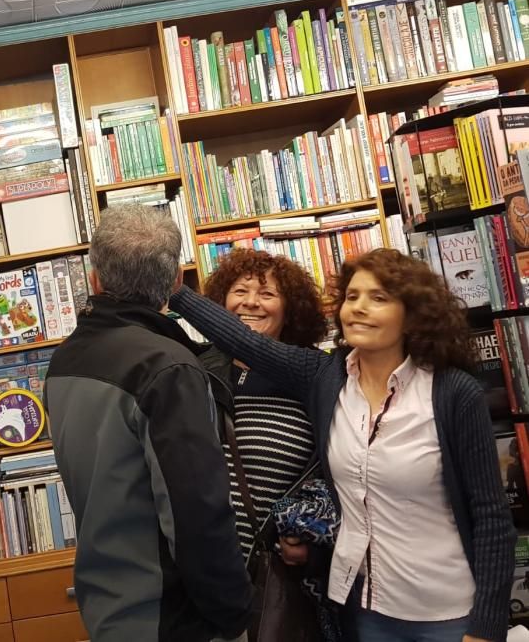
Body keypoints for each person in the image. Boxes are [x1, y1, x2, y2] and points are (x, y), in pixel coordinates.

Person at [170, 247, 515, 642]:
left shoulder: (453, 393)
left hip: (448, 612)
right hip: (363, 610)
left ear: (413, 315)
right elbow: (245, 341)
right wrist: (176, 291)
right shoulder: (325, 376)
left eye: (378, 297)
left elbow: (490, 517)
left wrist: (485, 627)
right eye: (352, 296)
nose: (359, 308)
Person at [44, 205, 253, 642]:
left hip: (107, 606)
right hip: (173, 618)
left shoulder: (64, 360)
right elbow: (196, 514)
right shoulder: (167, 369)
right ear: (176, 282)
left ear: (94, 278)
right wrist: (235, 615)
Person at [200, 248, 327, 560]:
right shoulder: (198, 370)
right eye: (239, 291)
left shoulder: (316, 375)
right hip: (204, 566)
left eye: (267, 293)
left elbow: (336, 472)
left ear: (290, 309)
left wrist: (308, 533)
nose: (251, 302)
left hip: (278, 568)